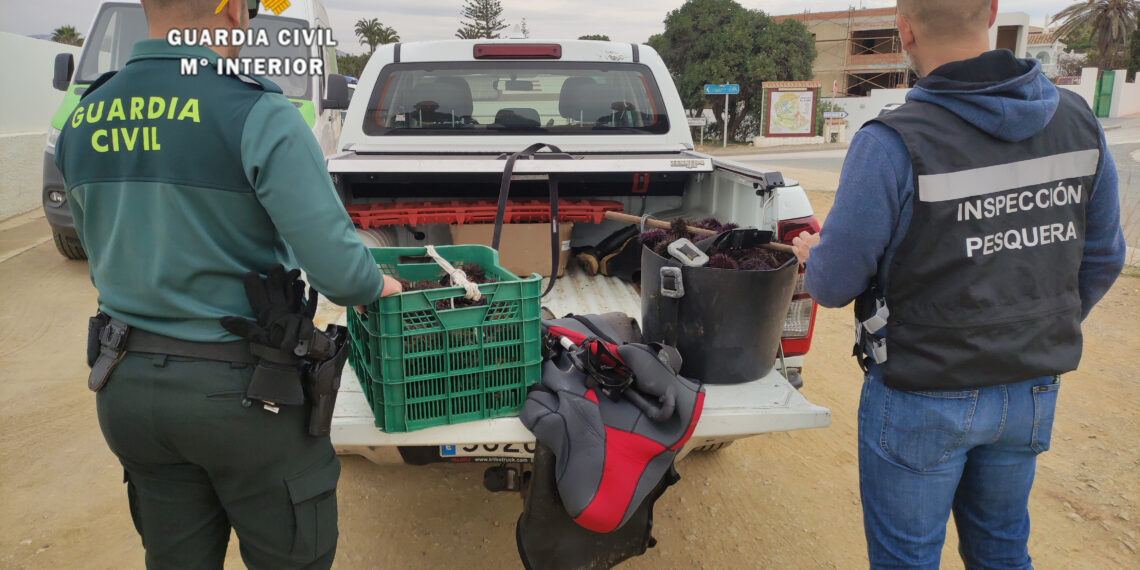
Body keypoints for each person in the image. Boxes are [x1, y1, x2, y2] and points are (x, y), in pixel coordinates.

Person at [54, 0, 401, 568]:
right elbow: (339, 271)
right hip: (246, 395)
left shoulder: (85, 114)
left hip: (127, 386)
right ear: (235, 11)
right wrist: (378, 286)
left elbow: (99, 244)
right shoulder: (256, 111)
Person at [791, 0, 1126, 567]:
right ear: (991, 12)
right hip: (1030, 388)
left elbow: (833, 284)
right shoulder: (1078, 121)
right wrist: (1032, 329)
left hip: (920, 394)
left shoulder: (890, 141)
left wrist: (815, 256)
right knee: (1002, 552)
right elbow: (1104, 257)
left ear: (904, 30)